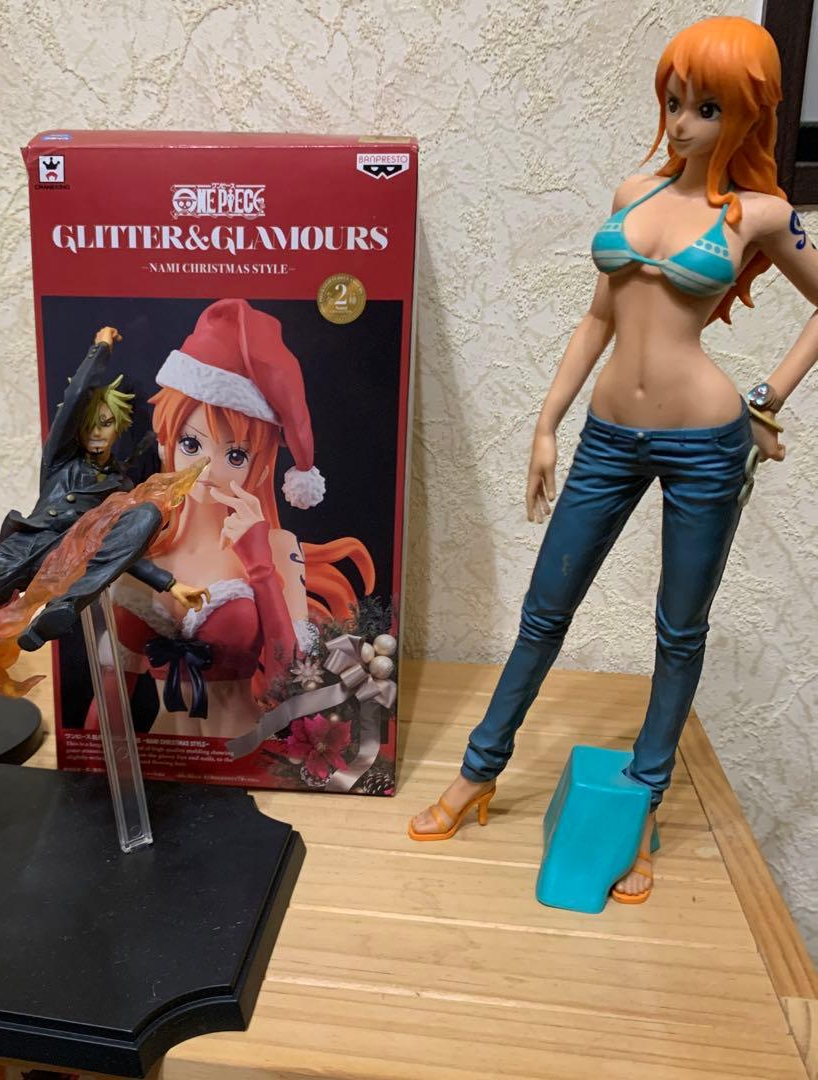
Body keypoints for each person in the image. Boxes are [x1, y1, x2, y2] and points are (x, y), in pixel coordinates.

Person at [409, 16, 818, 905]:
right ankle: (480, 769)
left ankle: (642, 807)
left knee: (678, 630)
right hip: (605, 433)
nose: (682, 123)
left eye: (707, 108)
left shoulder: (760, 215)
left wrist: (766, 399)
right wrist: (546, 423)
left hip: (706, 442)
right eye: (674, 102)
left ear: (747, 116)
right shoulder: (635, 190)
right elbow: (599, 317)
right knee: (544, 609)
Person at [111, 298, 374, 739]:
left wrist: (260, 566)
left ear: (262, 468)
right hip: (162, 760)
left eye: (235, 455)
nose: (208, 470)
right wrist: (89, 765)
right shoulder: (137, 544)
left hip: (244, 752)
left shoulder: (277, 548)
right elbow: (109, 698)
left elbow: (292, 683)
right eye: (191, 445)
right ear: (165, 441)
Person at [0, 326, 208, 643]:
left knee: (147, 513)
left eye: (105, 423)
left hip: (72, 560)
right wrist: (101, 349)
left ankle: (62, 608)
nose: (96, 433)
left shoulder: (121, 484)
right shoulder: (61, 459)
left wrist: (170, 584)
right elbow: (74, 398)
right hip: (27, 546)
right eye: (88, 426)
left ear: (119, 426)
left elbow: (120, 548)